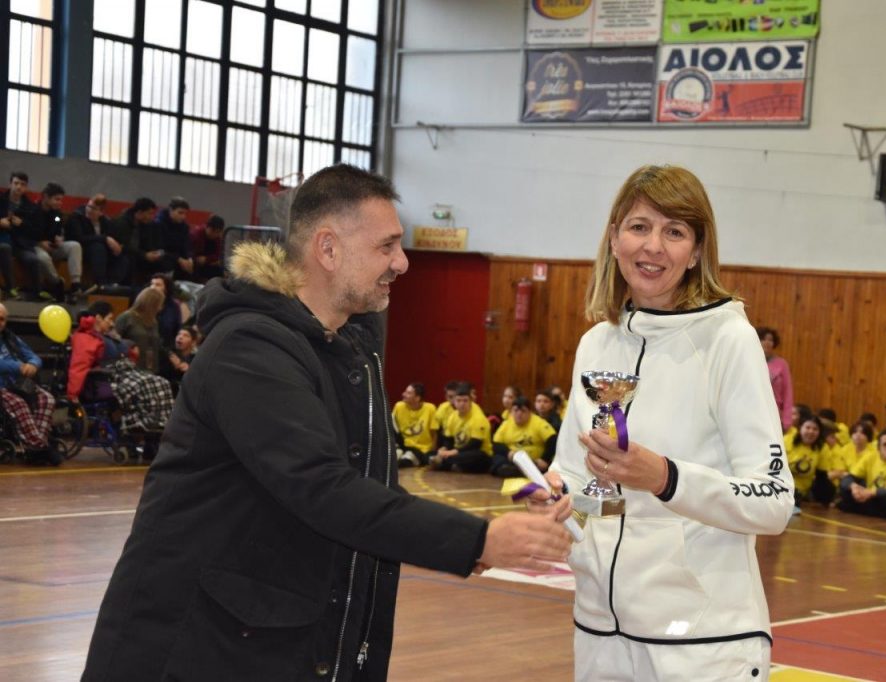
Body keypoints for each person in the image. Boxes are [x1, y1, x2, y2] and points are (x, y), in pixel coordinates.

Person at [80, 164, 571, 682]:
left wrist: (476, 540)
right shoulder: (248, 348)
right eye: (387, 246)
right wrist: (476, 539)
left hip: (275, 644)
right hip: (195, 650)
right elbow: (322, 488)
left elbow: (368, 491)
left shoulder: (349, 350)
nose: (402, 262)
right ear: (328, 249)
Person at [528, 165, 793, 680]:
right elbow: (588, 485)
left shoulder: (728, 340)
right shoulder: (596, 343)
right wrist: (559, 496)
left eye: (674, 232)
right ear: (614, 238)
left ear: (696, 252)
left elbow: (774, 502)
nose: (653, 246)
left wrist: (665, 477)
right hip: (600, 632)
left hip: (702, 644)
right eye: (639, 227)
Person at [67, 300, 174, 440]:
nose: (112, 323)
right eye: (109, 319)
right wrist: (73, 394)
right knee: (143, 384)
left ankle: (159, 423)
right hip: (104, 379)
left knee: (161, 382)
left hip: (123, 372)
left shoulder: (107, 335)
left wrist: (130, 348)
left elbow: (123, 350)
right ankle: (135, 424)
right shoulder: (85, 338)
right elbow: (79, 366)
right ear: (98, 318)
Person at [0, 303, 59, 464]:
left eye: (2, 319)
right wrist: (19, 367)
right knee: (18, 404)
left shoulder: (10, 338)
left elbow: (33, 356)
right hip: (2, 386)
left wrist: (32, 364)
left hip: (17, 384)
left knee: (47, 399)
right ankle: (40, 448)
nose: (0, 323)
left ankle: (35, 448)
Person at [837, 428, 886, 520]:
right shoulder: (870, 457)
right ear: (878, 448)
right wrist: (853, 487)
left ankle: (860, 509)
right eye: (885, 444)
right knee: (845, 490)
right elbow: (848, 478)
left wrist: (873, 492)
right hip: (871, 499)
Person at [32, 182, 89, 301]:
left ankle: (75, 284)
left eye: (61, 200)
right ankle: (58, 283)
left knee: (74, 246)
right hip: (35, 246)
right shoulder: (32, 211)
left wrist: (59, 238)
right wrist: (39, 243)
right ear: (46, 197)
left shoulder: (57, 214)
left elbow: (58, 229)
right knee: (44, 258)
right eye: (57, 199)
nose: (60, 203)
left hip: (53, 246)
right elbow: (26, 233)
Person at [68, 193, 130, 287]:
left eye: (93, 208)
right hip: (82, 249)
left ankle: (112, 284)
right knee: (98, 248)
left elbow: (113, 237)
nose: (89, 210)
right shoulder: (77, 217)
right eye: (88, 206)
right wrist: (104, 238)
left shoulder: (105, 221)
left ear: (101, 212)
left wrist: (118, 245)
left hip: (101, 252)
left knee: (122, 257)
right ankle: (100, 283)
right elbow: (79, 238)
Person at [429, 382, 493, 473]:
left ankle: (447, 463)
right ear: (454, 402)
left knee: (477, 456)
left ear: (470, 402)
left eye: (465, 401)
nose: (462, 404)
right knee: (435, 453)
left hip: (478, 452)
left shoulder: (478, 417)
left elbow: (475, 444)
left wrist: (453, 452)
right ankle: (455, 465)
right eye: (459, 401)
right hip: (459, 451)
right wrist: (444, 449)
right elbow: (449, 439)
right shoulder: (453, 416)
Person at [491, 396, 557, 477]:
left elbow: (553, 441)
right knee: (497, 459)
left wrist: (545, 459)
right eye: (516, 410)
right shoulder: (506, 424)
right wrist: (508, 453)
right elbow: (496, 444)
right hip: (512, 460)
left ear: (530, 412)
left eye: (523, 411)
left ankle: (521, 471)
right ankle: (518, 471)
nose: (519, 414)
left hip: (534, 461)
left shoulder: (539, 423)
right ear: (511, 412)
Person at [136, 196, 194, 280]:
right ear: (171, 210)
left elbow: (186, 245)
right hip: (164, 255)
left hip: (177, 256)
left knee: (193, 264)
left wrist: (189, 258)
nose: (183, 216)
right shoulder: (158, 224)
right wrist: (178, 259)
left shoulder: (184, 227)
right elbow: (160, 247)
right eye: (180, 213)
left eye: (185, 214)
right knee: (166, 263)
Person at [107, 197, 157, 285]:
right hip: (118, 254)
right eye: (150, 213)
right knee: (128, 259)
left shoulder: (145, 225)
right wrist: (144, 255)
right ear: (140, 212)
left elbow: (145, 244)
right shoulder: (121, 223)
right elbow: (124, 246)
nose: (152, 217)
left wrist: (151, 253)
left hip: (136, 253)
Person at [114, 287, 164, 374]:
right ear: (151, 304)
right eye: (158, 304)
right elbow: (115, 341)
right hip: (130, 369)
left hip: (150, 369)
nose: (160, 308)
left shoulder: (154, 322)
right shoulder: (126, 317)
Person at [392, 381, 437, 467]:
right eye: (405, 392)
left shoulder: (430, 409)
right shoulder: (398, 406)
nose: (403, 394)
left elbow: (434, 433)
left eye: (408, 393)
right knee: (396, 454)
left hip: (421, 449)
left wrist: (432, 451)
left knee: (408, 458)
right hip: (403, 445)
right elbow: (393, 429)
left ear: (417, 398)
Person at [0, 171, 30, 297]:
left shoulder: (29, 206)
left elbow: (33, 230)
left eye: (22, 184)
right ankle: (10, 287)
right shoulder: (1, 199)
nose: (18, 187)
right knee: (5, 248)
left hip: (19, 242)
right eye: (16, 183)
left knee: (33, 258)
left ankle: (35, 291)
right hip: (3, 239)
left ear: (26, 187)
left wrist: (22, 224)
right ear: (10, 184)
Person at [758, 326, 793, 432]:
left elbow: (787, 393)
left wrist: (786, 421)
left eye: (770, 340)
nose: (767, 342)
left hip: (774, 415)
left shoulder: (782, 364)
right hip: (753, 412)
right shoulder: (748, 361)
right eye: (763, 339)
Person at [191, 214, 225, 281]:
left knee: (219, 270)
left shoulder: (217, 239)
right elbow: (188, 252)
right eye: (213, 231)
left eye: (218, 232)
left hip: (207, 264)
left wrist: (207, 259)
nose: (215, 234)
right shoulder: (196, 235)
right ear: (207, 227)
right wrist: (196, 259)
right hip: (194, 263)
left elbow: (218, 255)